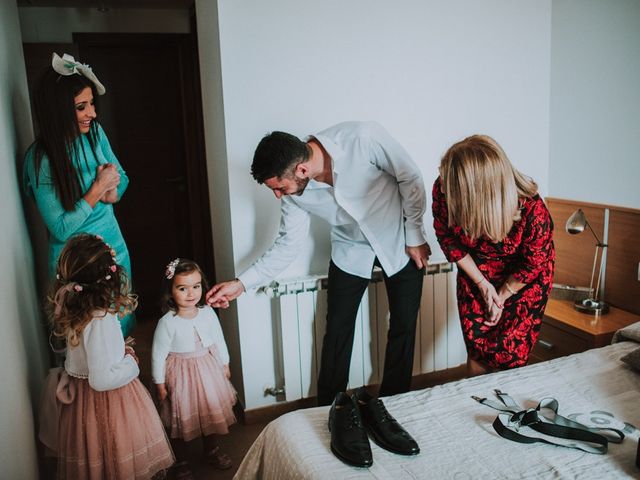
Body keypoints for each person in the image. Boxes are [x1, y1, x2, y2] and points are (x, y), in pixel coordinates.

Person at [206, 121, 430, 406]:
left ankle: (394, 404)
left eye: (279, 187)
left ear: (301, 170)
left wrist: (415, 235)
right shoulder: (294, 194)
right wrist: (241, 284)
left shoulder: (362, 139)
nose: (278, 195)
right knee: (336, 329)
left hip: (400, 241)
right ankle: (330, 408)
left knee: (403, 325)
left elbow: (410, 178)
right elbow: (287, 245)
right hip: (350, 251)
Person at [41, 233, 174, 479]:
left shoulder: (75, 306)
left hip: (84, 401)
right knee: (117, 457)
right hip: (108, 403)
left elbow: (92, 355)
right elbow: (101, 380)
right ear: (109, 277)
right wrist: (131, 363)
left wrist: (119, 350)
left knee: (98, 460)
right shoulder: (98, 317)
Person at [23, 52, 135, 336]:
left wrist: (112, 190)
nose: (92, 114)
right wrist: (97, 189)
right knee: (84, 338)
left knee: (119, 331)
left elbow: (121, 179)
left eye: (92, 104)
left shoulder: (94, 134)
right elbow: (61, 227)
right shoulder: (41, 160)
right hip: (75, 265)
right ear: (58, 111)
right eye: (81, 107)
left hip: (113, 249)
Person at [432, 134, 555, 376]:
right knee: (477, 347)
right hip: (475, 271)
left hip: (523, 279)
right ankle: (476, 405)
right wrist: (482, 285)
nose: (442, 186)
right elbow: (448, 239)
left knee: (509, 355)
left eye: (450, 184)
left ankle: (508, 409)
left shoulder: (532, 209)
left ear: (478, 191)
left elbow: (533, 263)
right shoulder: (444, 188)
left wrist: (502, 295)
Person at [152, 258, 236, 478]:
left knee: (209, 410)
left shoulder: (207, 312)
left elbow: (218, 339)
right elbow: (158, 355)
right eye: (183, 288)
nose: (191, 294)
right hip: (180, 373)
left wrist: (224, 363)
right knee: (180, 414)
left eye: (196, 287)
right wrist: (159, 382)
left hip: (206, 368)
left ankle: (212, 449)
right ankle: (180, 459)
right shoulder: (167, 321)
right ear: (170, 291)